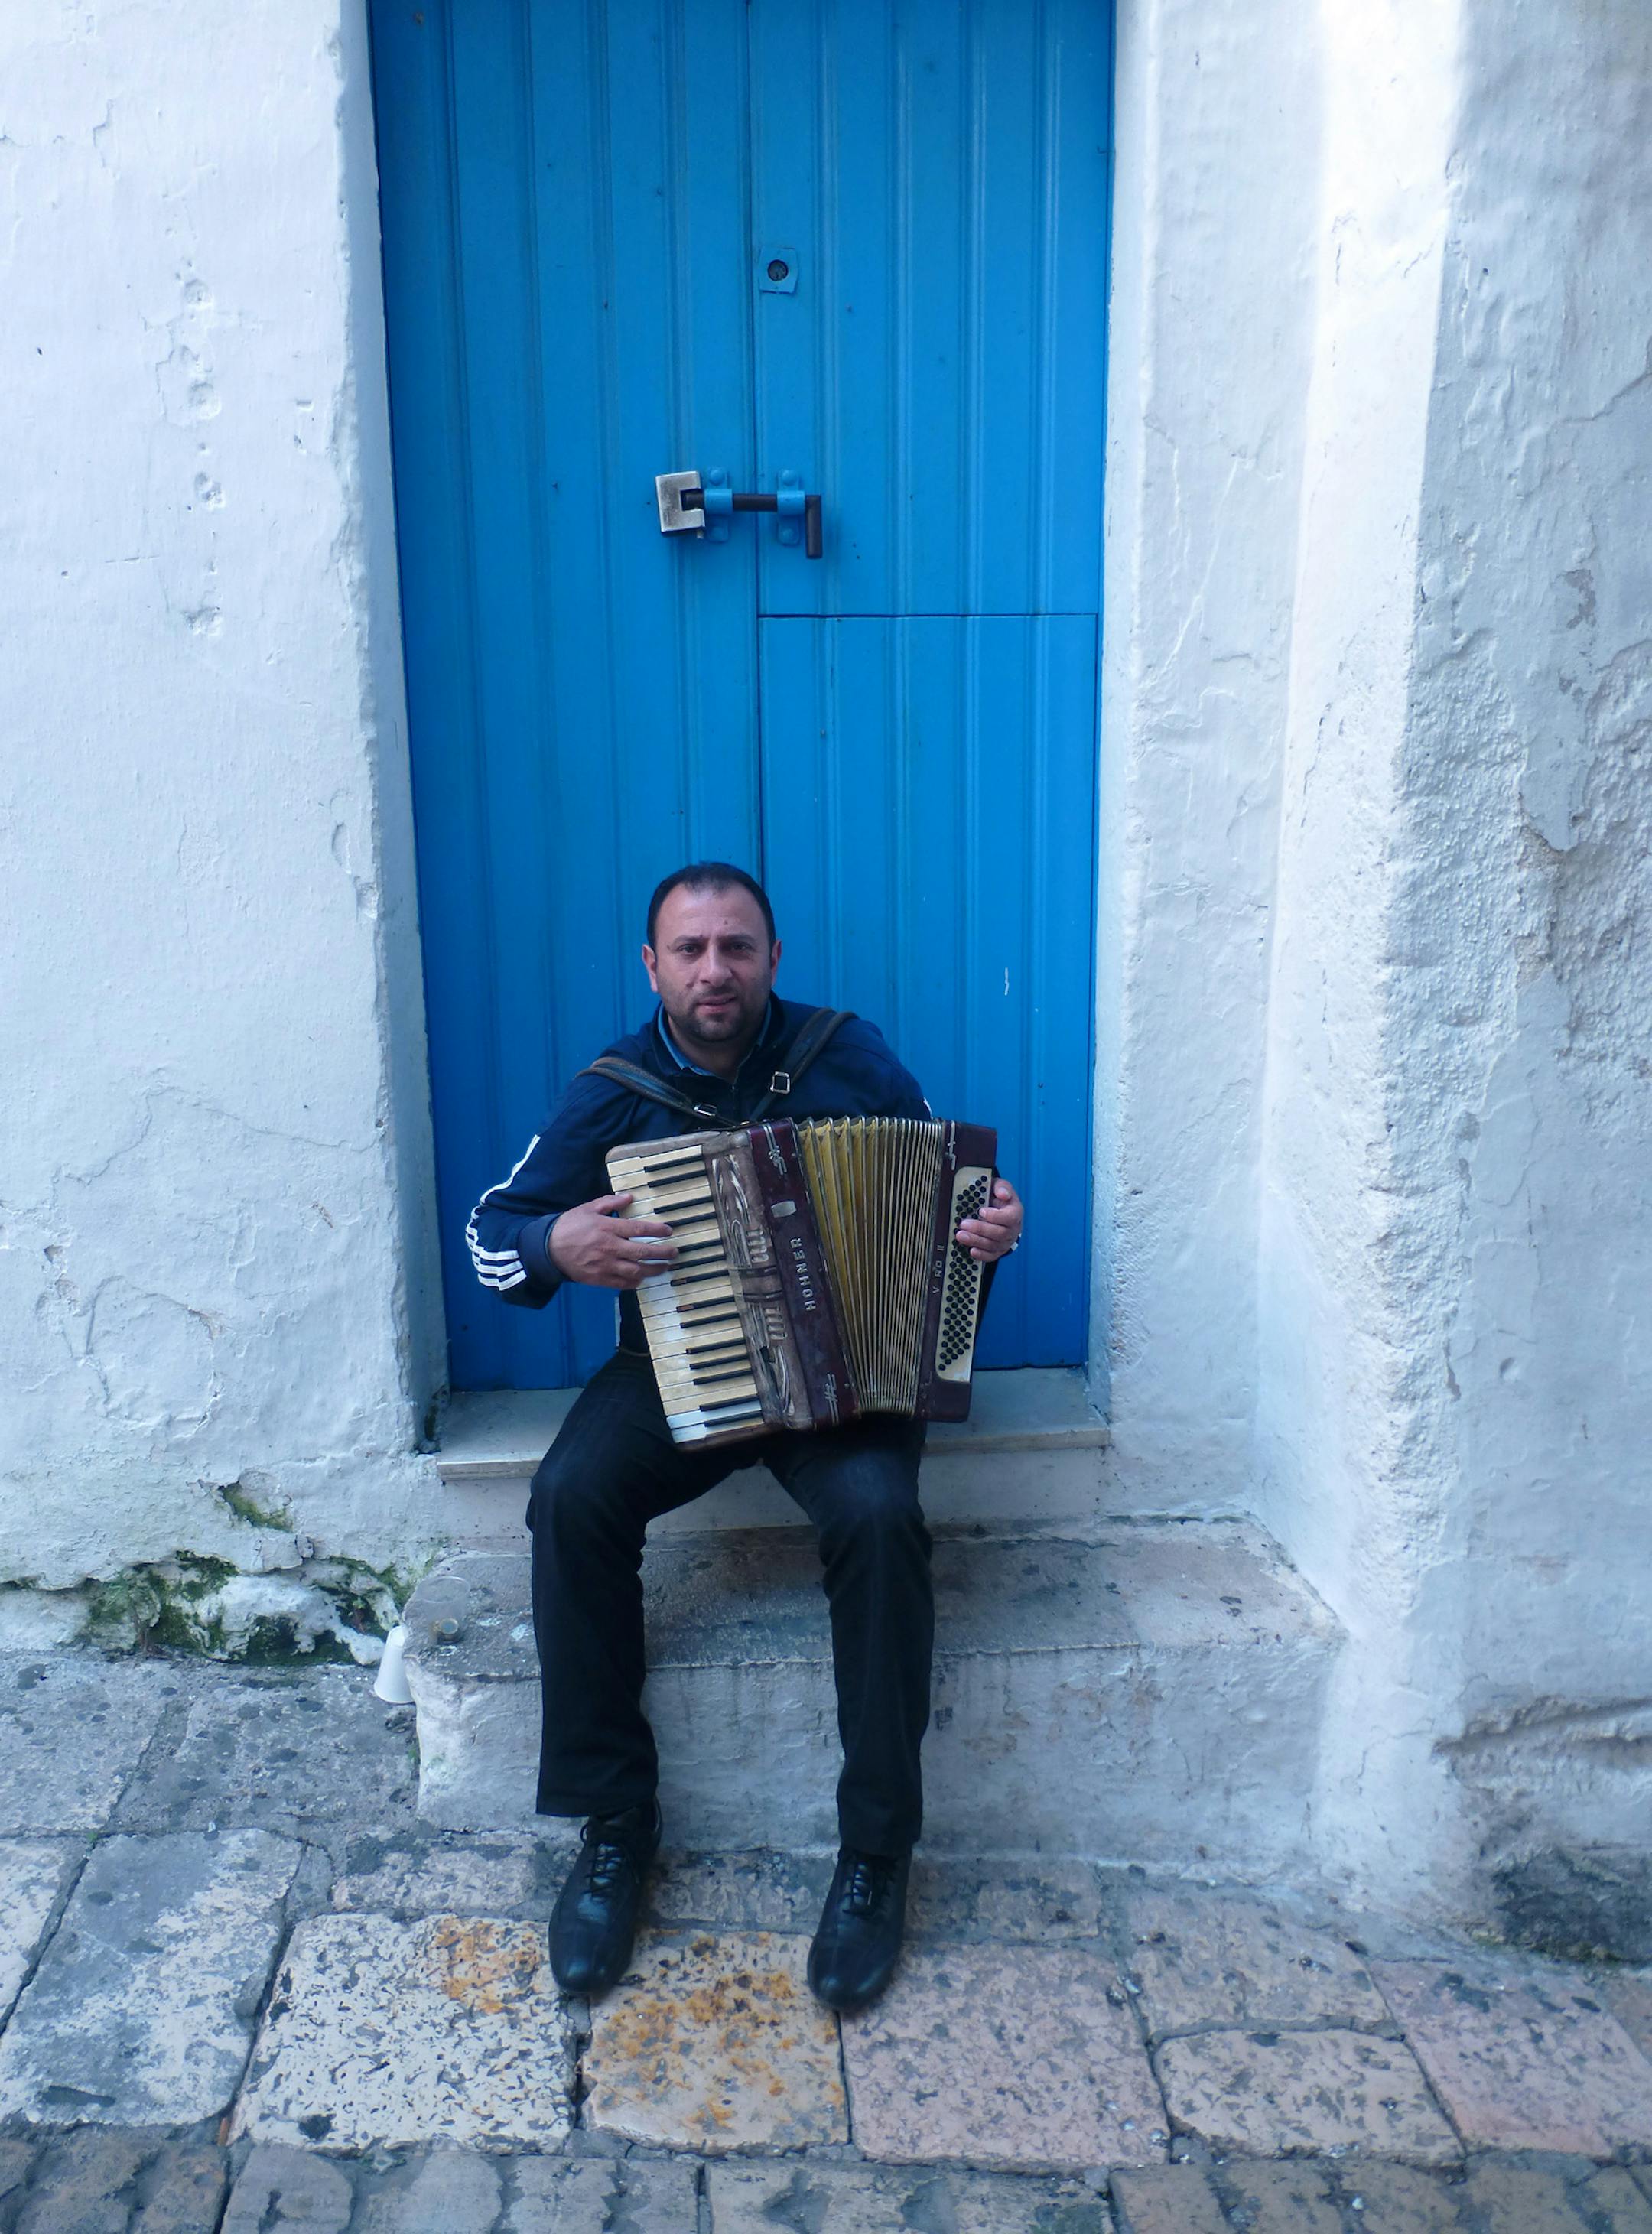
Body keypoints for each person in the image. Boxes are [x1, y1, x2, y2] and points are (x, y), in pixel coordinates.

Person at [467, 862, 1024, 2011]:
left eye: (737, 947)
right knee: (570, 1496)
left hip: (842, 1383)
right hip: (676, 1370)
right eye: (690, 949)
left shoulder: (843, 1054)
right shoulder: (612, 1091)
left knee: (879, 1517)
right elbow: (492, 1227)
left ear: (773, 955)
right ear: (653, 965)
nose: (714, 970)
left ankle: (876, 1852)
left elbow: (951, 1193)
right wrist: (558, 1245)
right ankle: (615, 1824)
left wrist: (988, 1223)